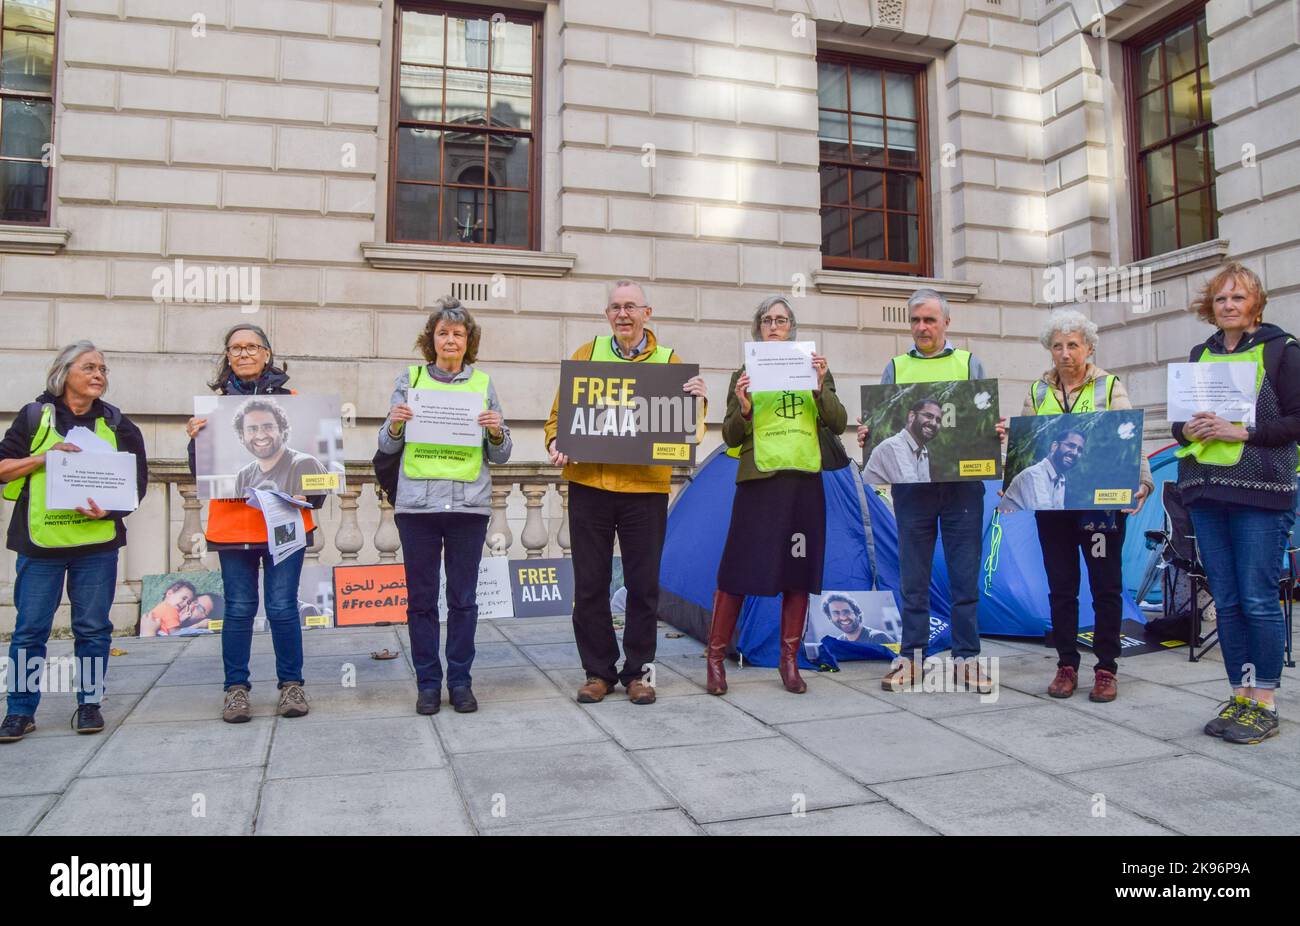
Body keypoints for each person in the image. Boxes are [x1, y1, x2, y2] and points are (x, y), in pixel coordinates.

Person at [544, 279, 707, 705]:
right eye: (615, 307)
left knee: (643, 585)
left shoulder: (671, 361)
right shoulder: (586, 354)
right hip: (589, 487)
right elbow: (558, 417)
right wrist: (554, 442)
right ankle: (598, 672)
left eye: (631, 306)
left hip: (644, 490)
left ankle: (639, 673)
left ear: (646, 314)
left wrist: (699, 404)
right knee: (591, 585)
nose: (623, 314)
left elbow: (690, 428)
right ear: (607, 315)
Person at [1172, 262, 1300, 744]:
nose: (1228, 305)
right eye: (1221, 299)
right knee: (1225, 600)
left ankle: (1264, 698)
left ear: (1255, 305)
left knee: (1258, 598)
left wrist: (1239, 431)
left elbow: (1297, 420)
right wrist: (1186, 429)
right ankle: (1240, 693)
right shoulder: (1199, 354)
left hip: (1261, 493)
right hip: (1205, 490)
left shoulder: (1282, 351)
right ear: (1212, 307)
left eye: (1238, 298)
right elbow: (1177, 424)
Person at [0, 341, 149, 742]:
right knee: (30, 629)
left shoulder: (120, 425)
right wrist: (44, 458)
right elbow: (3, 469)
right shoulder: (33, 419)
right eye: (89, 367)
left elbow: (136, 487)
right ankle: (19, 710)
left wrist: (110, 511)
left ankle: (89, 704)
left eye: (103, 368)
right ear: (65, 374)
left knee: (92, 628)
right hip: (41, 545)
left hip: (96, 547)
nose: (99, 374)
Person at [857, 289, 1003, 693]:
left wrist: (995, 431)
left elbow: (980, 420)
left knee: (963, 576)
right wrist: (869, 433)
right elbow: (883, 424)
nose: (922, 327)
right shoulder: (895, 368)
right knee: (913, 577)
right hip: (912, 490)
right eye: (916, 320)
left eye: (930, 320)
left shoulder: (969, 362)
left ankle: (967, 659)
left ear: (946, 323)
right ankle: (912, 657)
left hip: (962, 489)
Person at [705, 295, 845, 695]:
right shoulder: (743, 373)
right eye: (767, 320)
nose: (774, 325)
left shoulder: (815, 367)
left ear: (791, 328)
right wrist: (744, 408)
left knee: (798, 572)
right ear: (758, 329)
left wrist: (821, 388)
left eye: (781, 319)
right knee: (736, 570)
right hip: (758, 481)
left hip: (803, 480)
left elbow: (836, 423)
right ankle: (715, 661)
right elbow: (730, 435)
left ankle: (789, 661)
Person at [380, 298, 511, 715]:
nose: (450, 339)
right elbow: (386, 444)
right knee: (421, 600)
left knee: (463, 599)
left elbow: (503, 454)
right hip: (417, 506)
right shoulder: (410, 378)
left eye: (458, 333)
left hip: (468, 507)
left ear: (468, 341)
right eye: (442, 332)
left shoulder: (483, 383)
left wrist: (495, 433)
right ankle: (427, 684)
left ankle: (460, 681)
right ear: (431, 340)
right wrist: (396, 423)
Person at [186, 323, 323, 723]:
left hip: (285, 525)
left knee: (282, 607)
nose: (243, 353)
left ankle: (291, 685)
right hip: (232, 527)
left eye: (251, 347)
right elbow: (203, 474)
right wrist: (195, 441)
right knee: (240, 610)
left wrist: (311, 496)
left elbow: (317, 475)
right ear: (227, 357)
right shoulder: (211, 410)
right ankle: (236, 690)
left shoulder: (297, 403)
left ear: (267, 353)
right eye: (235, 348)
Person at [1020, 309, 1151, 703]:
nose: (1064, 353)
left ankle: (1106, 668)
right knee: (1061, 587)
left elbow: (1130, 433)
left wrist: (1142, 479)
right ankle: (1066, 665)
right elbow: (1026, 447)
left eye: (1073, 345)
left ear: (1089, 348)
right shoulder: (1037, 392)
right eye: (1057, 346)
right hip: (1054, 506)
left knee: (1105, 586)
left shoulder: (1109, 386)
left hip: (1099, 508)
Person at [231, 397, 327, 497]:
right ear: (242, 436)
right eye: (252, 429)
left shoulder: (307, 465)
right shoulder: (243, 476)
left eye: (268, 427)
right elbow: (235, 513)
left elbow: (320, 510)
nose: (261, 435)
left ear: (282, 430)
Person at [1000, 427, 1086, 512]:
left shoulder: (1060, 479)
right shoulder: (1033, 474)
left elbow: (1057, 516)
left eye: (1079, 450)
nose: (1075, 453)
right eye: (1071, 446)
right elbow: (1045, 517)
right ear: (1054, 446)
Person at [863, 397, 940, 484]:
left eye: (938, 420)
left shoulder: (923, 452)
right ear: (912, 416)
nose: (934, 423)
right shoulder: (892, 446)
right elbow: (911, 490)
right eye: (929, 416)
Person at [824, 594, 895, 645]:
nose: (843, 617)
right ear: (830, 618)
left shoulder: (879, 638)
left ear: (857, 613)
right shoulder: (838, 644)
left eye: (846, 611)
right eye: (836, 613)